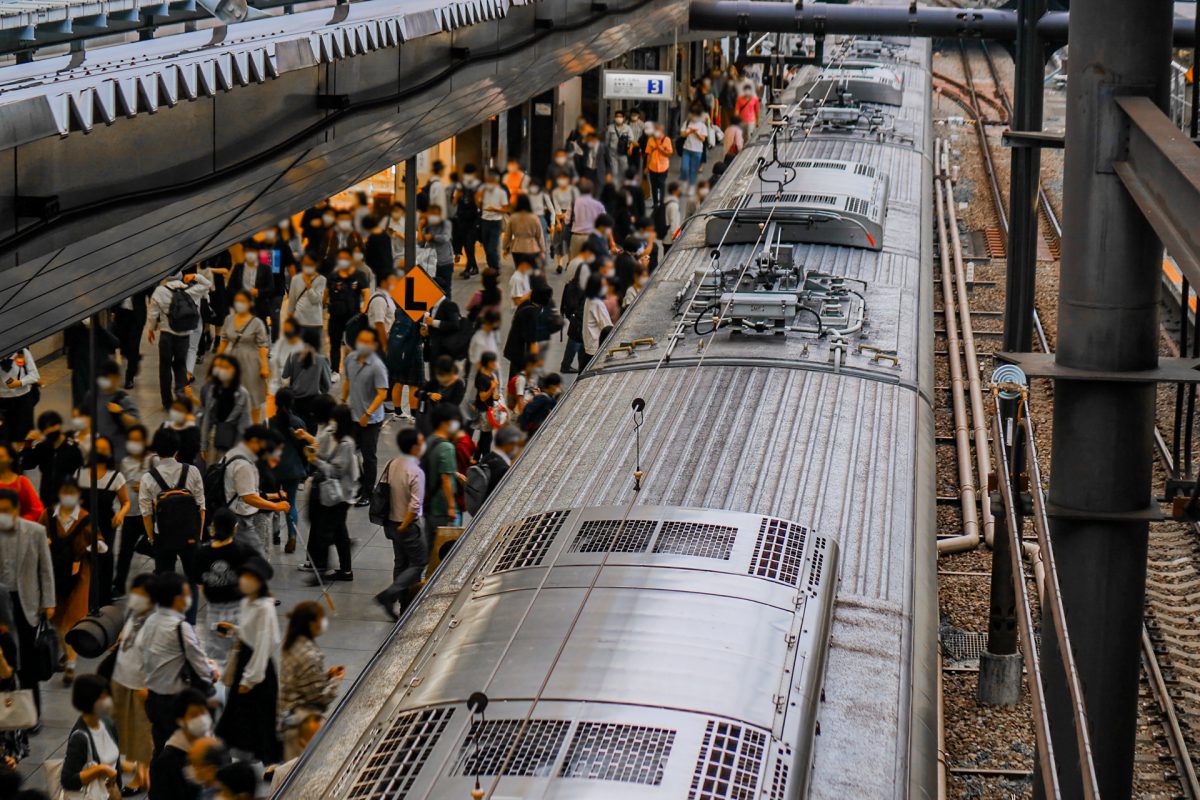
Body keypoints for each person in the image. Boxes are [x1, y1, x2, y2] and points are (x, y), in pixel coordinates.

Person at [214, 556, 281, 766]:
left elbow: (264, 643)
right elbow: (251, 634)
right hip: (245, 660)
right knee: (238, 714)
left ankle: (269, 761)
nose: (243, 580)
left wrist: (251, 678)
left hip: (257, 667)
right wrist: (234, 630)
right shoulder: (247, 603)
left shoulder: (265, 608)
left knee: (263, 714)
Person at [140, 573, 216, 756]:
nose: (189, 598)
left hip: (153, 698)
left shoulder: (150, 621)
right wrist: (212, 670)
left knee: (160, 746)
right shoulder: (180, 627)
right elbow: (202, 667)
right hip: (176, 701)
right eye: (186, 594)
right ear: (177, 599)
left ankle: (157, 777)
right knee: (181, 750)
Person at [0, 488, 53, 719]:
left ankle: (32, 716)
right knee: (5, 660)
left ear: (16, 510)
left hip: (26, 602)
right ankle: (7, 716)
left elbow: (45, 568)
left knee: (29, 663)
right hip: (1, 603)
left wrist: (48, 602)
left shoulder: (35, 532)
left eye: (6, 511)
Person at [42, 480, 96, 685]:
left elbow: (97, 542)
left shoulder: (85, 518)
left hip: (79, 576)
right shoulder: (48, 516)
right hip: (53, 574)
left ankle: (71, 665)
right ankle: (65, 653)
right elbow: (37, 536)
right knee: (56, 619)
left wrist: (96, 546)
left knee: (72, 619)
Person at [141, 428, 206, 592]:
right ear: (177, 449)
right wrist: (197, 536)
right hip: (189, 534)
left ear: (156, 449)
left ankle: (168, 613)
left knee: (165, 583)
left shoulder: (148, 477)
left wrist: (151, 539)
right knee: (192, 581)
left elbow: (147, 514)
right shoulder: (192, 471)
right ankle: (189, 616)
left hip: (163, 536)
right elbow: (201, 507)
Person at [373, 428, 427, 621]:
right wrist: (405, 525)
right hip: (407, 525)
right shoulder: (416, 471)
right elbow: (415, 504)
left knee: (401, 562)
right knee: (419, 561)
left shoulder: (392, 463)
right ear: (414, 447)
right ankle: (391, 594)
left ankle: (403, 603)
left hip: (390, 522)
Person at [279, 602, 343, 758]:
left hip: (288, 715)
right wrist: (335, 681)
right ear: (311, 624)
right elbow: (317, 697)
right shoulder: (309, 656)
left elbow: (302, 680)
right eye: (321, 619)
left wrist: (325, 676)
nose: (324, 623)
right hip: (303, 724)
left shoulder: (292, 644)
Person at [61, 674, 140, 799]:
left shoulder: (108, 724)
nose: (109, 700)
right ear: (90, 701)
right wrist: (100, 770)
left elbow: (114, 762)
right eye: (103, 696)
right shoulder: (80, 737)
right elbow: (68, 780)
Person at [302, 405, 358, 581]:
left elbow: (336, 471)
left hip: (339, 495)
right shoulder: (334, 436)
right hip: (334, 493)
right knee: (339, 532)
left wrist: (315, 461)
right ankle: (346, 570)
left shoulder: (346, 443)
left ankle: (321, 570)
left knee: (325, 532)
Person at [109, 573, 155, 782]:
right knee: (125, 727)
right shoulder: (135, 613)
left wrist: (147, 684)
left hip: (140, 684)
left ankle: (143, 774)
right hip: (122, 677)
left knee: (142, 732)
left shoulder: (157, 622)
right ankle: (134, 764)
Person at [193, 508, 253, 666]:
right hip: (239, 609)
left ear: (212, 527)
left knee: (216, 658)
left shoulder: (202, 554)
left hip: (215, 611)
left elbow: (201, 586)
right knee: (242, 657)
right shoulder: (243, 551)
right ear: (235, 527)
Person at [73, 436, 127, 608]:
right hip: (83, 523)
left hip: (105, 524)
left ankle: (102, 600)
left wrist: (121, 514)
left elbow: (126, 501)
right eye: (98, 449)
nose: (101, 452)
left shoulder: (116, 477)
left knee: (104, 559)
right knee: (83, 558)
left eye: (105, 449)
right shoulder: (80, 473)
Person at [148, 271, 213, 410]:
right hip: (184, 336)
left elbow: (153, 313)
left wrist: (151, 329)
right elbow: (208, 285)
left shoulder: (160, 291)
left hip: (166, 335)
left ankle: (167, 402)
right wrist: (196, 277)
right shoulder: (189, 290)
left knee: (164, 367)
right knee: (180, 365)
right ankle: (180, 395)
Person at [222, 426, 291, 556]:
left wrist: (273, 496)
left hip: (232, 511)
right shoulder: (244, 464)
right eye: (264, 443)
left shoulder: (234, 453)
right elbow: (249, 497)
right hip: (240, 518)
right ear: (254, 441)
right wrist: (276, 505)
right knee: (258, 557)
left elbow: (246, 490)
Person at [342, 329, 388, 504]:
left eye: (367, 342)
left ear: (374, 345)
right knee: (350, 451)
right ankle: (360, 483)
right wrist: (341, 400)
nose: (363, 344)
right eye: (361, 340)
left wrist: (368, 413)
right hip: (353, 415)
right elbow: (347, 381)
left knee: (369, 456)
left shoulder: (377, 366)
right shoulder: (350, 360)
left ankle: (368, 493)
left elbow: (382, 394)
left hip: (371, 420)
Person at [148, 688, 211, 800]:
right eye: (194, 715)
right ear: (180, 720)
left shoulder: (213, 745)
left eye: (203, 712)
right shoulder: (167, 761)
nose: (201, 719)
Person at [217, 291, 270, 423]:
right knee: (232, 393)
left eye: (242, 301)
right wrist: (218, 360)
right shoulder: (229, 319)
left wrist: (264, 366)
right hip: (232, 361)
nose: (239, 304)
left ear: (250, 303)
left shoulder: (257, 322)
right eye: (237, 301)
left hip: (251, 362)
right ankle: (235, 425)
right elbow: (223, 341)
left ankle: (255, 425)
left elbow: (262, 346)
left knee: (253, 395)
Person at [268, 390, 308, 554]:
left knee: (276, 501)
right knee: (290, 502)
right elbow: (304, 446)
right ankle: (292, 536)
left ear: (276, 403)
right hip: (293, 468)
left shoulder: (271, 422)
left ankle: (276, 534)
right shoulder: (298, 422)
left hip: (274, 469)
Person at [112, 425, 150, 597]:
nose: (134, 443)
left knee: (155, 546)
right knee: (124, 552)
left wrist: (144, 487)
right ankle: (119, 585)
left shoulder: (151, 460)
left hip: (147, 513)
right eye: (131, 440)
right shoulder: (125, 462)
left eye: (137, 440)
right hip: (130, 513)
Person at [79, 358, 140, 461]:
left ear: (116, 377)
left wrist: (121, 414)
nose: (103, 379)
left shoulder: (123, 399)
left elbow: (137, 426)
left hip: (118, 456)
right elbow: (85, 418)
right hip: (98, 454)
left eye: (107, 376)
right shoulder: (92, 396)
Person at [21, 411, 84, 509]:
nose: (50, 430)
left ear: (59, 425)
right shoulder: (42, 447)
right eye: (46, 428)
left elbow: (82, 471)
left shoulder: (73, 447)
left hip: (68, 496)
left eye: (53, 426)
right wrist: (28, 444)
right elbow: (26, 465)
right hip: (47, 498)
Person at [197, 354, 252, 464]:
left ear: (235, 370)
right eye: (220, 367)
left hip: (233, 441)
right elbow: (207, 418)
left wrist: (238, 451)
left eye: (226, 367)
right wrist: (203, 445)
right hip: (215, 439)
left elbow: (244, 424)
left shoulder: (242, 394)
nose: (222, 371)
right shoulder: (213, 390)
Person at [422, 404, 461, 545]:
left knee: (431, 543)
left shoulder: (429, 441)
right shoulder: (446, 447)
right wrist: (451, 506)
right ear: (445, 422)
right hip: (441, 506)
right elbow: (445, 479)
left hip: (428, 502)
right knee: (440, 550)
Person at [326, 255, 371, 375]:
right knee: (335, 344)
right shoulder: (333, 276)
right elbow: (326, 294)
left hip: (353, 317)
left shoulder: (360, 275)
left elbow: (366, 292)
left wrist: (364, 308)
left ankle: (357, 368)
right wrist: (326, 303)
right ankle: (335, 370)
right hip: (335, 316)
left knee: (354, 344)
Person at [281, 329, 332, 433]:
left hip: (294, 402)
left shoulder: (293, 356)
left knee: (297, 432)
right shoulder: (321, 360)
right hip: (313, 403)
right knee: (310, 435)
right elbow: (327, 386)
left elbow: (285, 375)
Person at [227, 241, 280, 341]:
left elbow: (271, 288)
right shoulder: (238, 268)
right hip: (242, 306)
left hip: (259, 304)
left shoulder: (265, 268)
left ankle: (265, 349)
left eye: (252, 251)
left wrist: (259, 291)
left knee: (261, 328)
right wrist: (240, 295)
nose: (250, 254)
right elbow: (230, 287)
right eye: (247, 251)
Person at [414, 357, 466, 437]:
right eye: (438, 375)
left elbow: (454, 405)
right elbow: (417, 393)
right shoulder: (436, 380)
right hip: (428, 420)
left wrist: (440, 398)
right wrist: (429, 395)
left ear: (450, 373)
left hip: (446, 423)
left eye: (442, 375)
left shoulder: (458, 384)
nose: (439, 378)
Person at [0, 349, 39, 444]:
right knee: (4, 438)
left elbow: (35, 375)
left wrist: (20, 382)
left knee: (24, 436)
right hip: (2, 402)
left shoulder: (22, 352)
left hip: (22, 400)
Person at [113, 291, 150, 390]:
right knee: (122, 345)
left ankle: (129, 378)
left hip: (137, 316)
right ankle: (135, 359)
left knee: (133, 346)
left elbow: (151, 291)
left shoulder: (141, 277)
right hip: (121, 314)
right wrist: (112, 311)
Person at [504, 194, 544, 285]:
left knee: (520, 272)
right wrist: (542, 250)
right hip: (532, 249)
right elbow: (539, 235)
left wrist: (504, 248)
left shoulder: (513, 218)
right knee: (531, 273)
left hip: (517, 248)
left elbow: (508, 235)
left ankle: (522, 293)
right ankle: (531, 292)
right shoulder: (534, 218)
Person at [287, 257, 327, 343]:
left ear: (316, 265)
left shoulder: (322, 280)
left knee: (314, 352)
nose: (308, 266)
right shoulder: (295, 279)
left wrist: (309, 287)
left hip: (315, 322)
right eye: (306, 264)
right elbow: (292, 300)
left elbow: (316, 300)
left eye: (311, 264)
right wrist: (290, 317)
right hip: (299, 320)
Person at [476, 171, 509, 272]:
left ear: (496, 182)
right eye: (487, 181)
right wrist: (478, 197)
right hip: (484, 221)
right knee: (486, 248)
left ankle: (495, 268)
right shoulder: (483, 191)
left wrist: (494, 209)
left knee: (492, 248)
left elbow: (505, 209)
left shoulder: (501, 193)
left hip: (496, 222)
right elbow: (479, 205)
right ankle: (491, 267)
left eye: (491, 181)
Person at [418, 205, 455, 297]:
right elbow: (420, 240)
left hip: (445, 261)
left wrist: (432, 237)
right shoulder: (428, 226)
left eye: (435, 214)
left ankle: (446, 308)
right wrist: (420, 226)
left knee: (445, 288)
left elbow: (445, 237)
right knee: (432, 289)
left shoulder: (446, 224)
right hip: (431, 263)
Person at [504, 290, 542, 378]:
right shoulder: (531, 312)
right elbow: (532, 340)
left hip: (516, 347)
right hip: (520, 350)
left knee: (515, 375)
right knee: (518, 377)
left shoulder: (528, 305)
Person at [453, 165, 482, 278]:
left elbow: (479, 204)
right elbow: (455, 201)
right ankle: (472, 267)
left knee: (469, 244)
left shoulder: (476, 186)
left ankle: (469, 268)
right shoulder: (461, 185)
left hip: (471, 220)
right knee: (466, 244)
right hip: (464, 219)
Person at [470, 352, 500, 454]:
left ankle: (477, 457)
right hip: (483, 410)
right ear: (487, 363)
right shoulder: (481, 378)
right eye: (493, 362)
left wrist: (494, 396)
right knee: (486, 437)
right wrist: (492, 388)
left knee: (485, 436)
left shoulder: (491, 374)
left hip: (488, 408)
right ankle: (484, 458)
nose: (495, 364)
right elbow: (482, 397)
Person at [568, 180, 606, 258]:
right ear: (592, 190)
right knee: (591, 262)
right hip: (592, 237)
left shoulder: (574, 203)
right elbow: (605, 220)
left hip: (576, 236)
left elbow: (567, 220)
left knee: (576, 261)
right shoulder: (598, 204)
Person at [582, 274, 614, 364]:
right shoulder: (597, 304)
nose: (605, 288)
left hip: (589, 344)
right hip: (597, 346)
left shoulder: (589, 299)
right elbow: (607, 327)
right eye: (603, 285)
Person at [162, 396, 202, 467]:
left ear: (187, 413)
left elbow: (192, 452)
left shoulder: (193, 430)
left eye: (180, 410)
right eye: (174, 409)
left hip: (185, 469)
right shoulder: (165, 426)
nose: (176, 413)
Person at [643, 121, 673, 211]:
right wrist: (646, 167)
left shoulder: (666, 140)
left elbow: (669, 153)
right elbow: (648, 154)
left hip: (663, 167)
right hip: (652, 166)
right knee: (654, 185)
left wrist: (661, 149)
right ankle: (655, 203)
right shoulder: (650, 140)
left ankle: (662, 202)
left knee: (661, 184)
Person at [679, 104, 708, 189]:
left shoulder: (702, 125)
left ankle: (691, 186)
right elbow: (682, 134)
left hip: (697, 151)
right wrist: (689, 132)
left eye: (695, 115)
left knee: (693, 170)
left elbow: (703, 139)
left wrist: (696, 133)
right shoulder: (687, 122)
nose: (693, 117)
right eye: (692, 114)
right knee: (684, 168)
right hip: (687, 149)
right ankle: (684, 180)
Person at [362, 216, 393, 286]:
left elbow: (369, 256)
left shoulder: (372, 238)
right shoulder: (385, 235)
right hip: (388, 266)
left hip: (377, 270)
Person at [604, 110, 633, 182]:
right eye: (617, 117)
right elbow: (607, 141)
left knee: (624, 170)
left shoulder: (627, 128)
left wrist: (630, 148)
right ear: (614, 118)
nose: (618, 118)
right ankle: (615, 188)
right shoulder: (610, 128)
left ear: (623, 118)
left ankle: (625, 186)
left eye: (620, 117)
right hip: (613, 152)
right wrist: (607, 151)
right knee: (614, 171)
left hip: (623, 152)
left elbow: (631, 139)